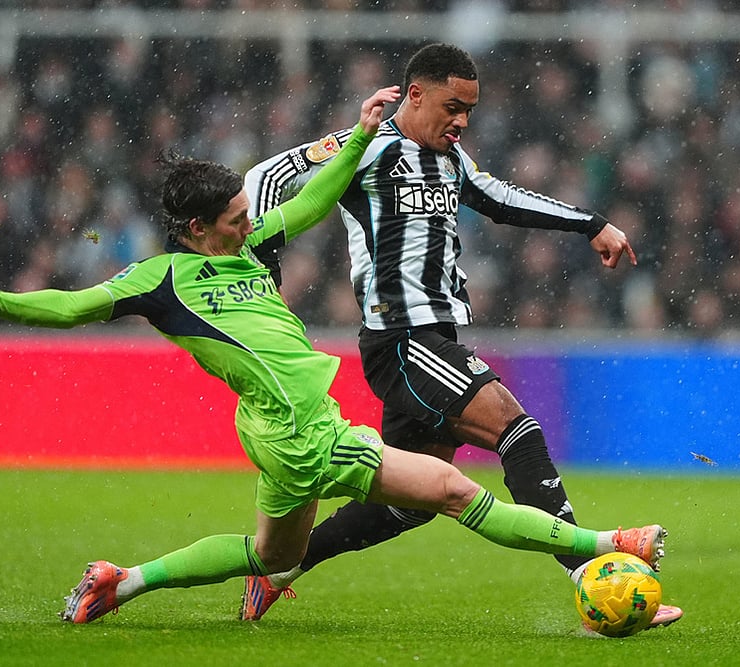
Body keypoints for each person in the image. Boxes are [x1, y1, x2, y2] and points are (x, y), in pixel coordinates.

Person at [0, 87, 668, 625]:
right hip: (304, 432)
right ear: (196, 229)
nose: (250, 224)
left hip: (273, 427)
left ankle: (120, 582)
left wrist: (359, 134)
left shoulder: (246, 244)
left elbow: (311, 204)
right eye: (234, 219)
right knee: (451, 491)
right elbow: (71, 306)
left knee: (272, 556)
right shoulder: (157, 281)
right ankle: (607, 544)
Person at [243, 42, 682, 629]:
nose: (463, 121)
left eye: (470, 110)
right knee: (516, 429)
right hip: (402, 339)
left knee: (408, 505)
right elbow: (266, 176)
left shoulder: (451, 159)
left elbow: (501, 199)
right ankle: (594, 573)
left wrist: (590, 223)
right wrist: (261, 263)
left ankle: (277, 570)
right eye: (453, 107)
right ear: (415, 95)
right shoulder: (366, 145)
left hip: (434, 335)